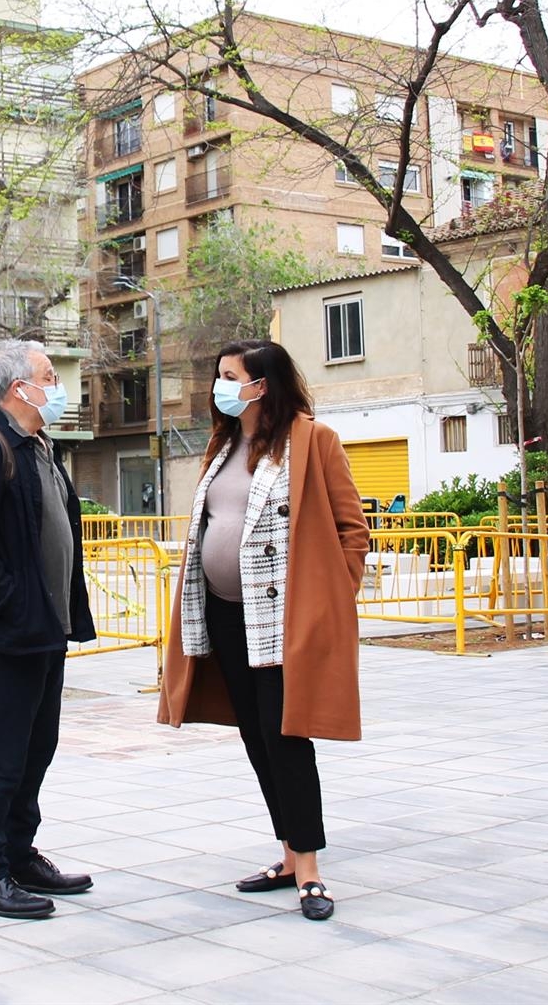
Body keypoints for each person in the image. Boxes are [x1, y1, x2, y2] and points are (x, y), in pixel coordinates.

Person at [158, 339, 369, 922]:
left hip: (282, 620)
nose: (219, 387)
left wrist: (328, 600)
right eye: (218, 375)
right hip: (225, 614)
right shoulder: (223, 443)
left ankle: (310, 871)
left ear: (262, 385)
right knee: (256, 737)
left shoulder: (312, 440)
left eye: (230, 376)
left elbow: (353, 530)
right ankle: (286, 854)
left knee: (286, 739)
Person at [0, 339, 96, 920]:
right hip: (8, 633)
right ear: (19, 388)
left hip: (44, 631)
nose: (58, 385)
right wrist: (12, 605)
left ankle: (17, 852)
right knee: (0, 755)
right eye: (49, 375)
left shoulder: (39, 446)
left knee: (37, 748)